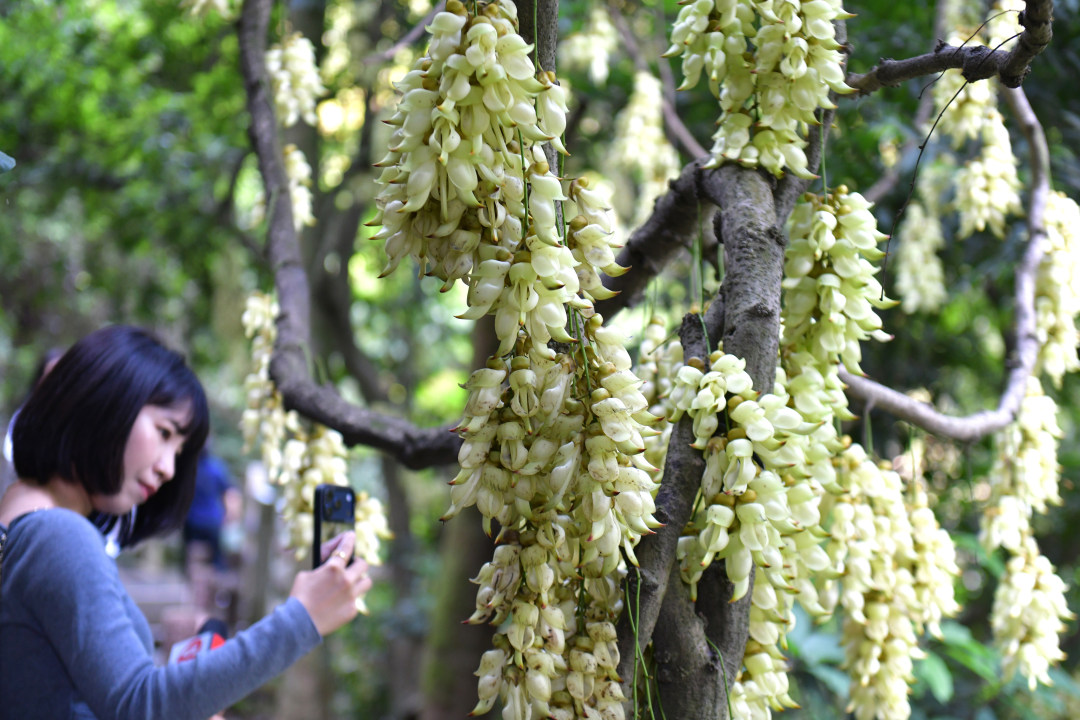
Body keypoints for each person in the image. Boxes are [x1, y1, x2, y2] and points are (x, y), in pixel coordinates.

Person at [0, 325, 371, 720]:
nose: (167, 469)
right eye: (163, 433)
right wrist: (302, 618)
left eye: (179, 452)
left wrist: (179, 683)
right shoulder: (58, 535)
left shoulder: (23, 516)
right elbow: (141, 705)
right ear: (102, 401)